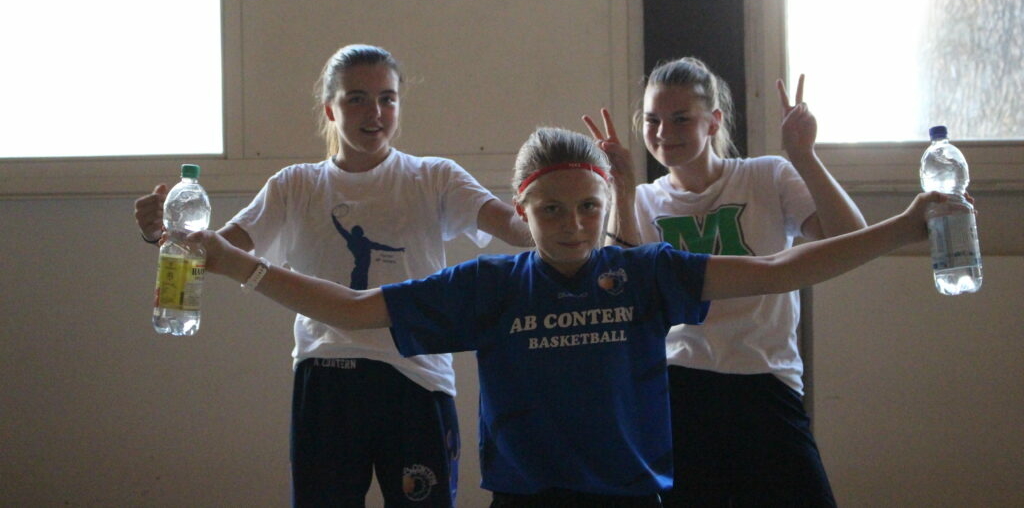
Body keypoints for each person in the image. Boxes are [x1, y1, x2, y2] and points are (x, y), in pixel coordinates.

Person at [184, 125, 943, 507]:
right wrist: (235, 263)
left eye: (587, 206)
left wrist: (905, 226)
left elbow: (783, 269)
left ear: (609, 205)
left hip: (631, 496)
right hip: (527, 500)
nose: (573, 224)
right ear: (522, 211)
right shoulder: (492, 285)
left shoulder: (645, 274)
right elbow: (354, 308)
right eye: (550, 208)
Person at [134, 44, 533, 508]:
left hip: (416, 377)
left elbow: (518, 228)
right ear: (330, 108)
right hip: (327, 376)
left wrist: (569, 203)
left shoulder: (435, 177)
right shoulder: (296, 184)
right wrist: (161, 233)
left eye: (387, 98)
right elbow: (213, 253)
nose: (375, 112)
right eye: (356, 98)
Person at [585, 57, 864, 506]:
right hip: (679, 384)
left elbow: (850, 241)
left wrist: (804, 156)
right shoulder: (644, 199)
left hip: (764, 378)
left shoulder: (767, 175)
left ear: (713, 121)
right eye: (653, 120)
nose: (664, 132)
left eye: (681, 118)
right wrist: (621, 187)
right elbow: (617, 288)